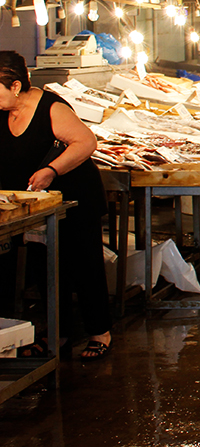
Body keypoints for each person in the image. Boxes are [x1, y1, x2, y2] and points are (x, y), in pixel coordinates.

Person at [0, 52, 112, 361]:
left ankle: (99, 331)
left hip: (75, 199)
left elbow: (86, 142)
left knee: (84, 264)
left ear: (16, 86)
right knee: (46, 269)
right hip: (36, 205)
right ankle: (58, 333)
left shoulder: (51, 108)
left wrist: (52, 170)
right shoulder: (3, 111)